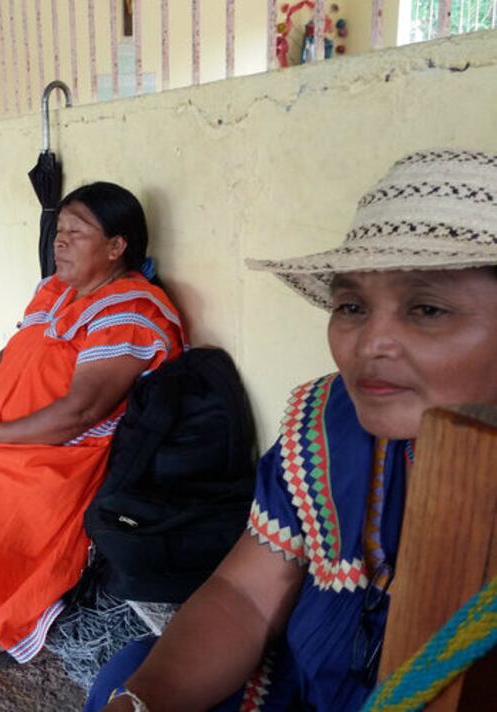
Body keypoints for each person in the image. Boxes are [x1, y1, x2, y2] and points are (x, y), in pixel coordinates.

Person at [88, 149, 497, 712]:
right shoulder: (328, 422)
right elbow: (246, 595)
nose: (368, 343)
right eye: (351, 305)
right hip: (305, 691)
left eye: (427, 309)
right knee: (134, 674)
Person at [0, 182, 188, 681]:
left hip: (70, 450)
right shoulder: (57, 288)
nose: (60, 240)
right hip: (13, 428)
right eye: (61, 229)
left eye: (78, 232)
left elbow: (79, 413)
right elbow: (17, 349)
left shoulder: (131, 310)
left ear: (117, 247)